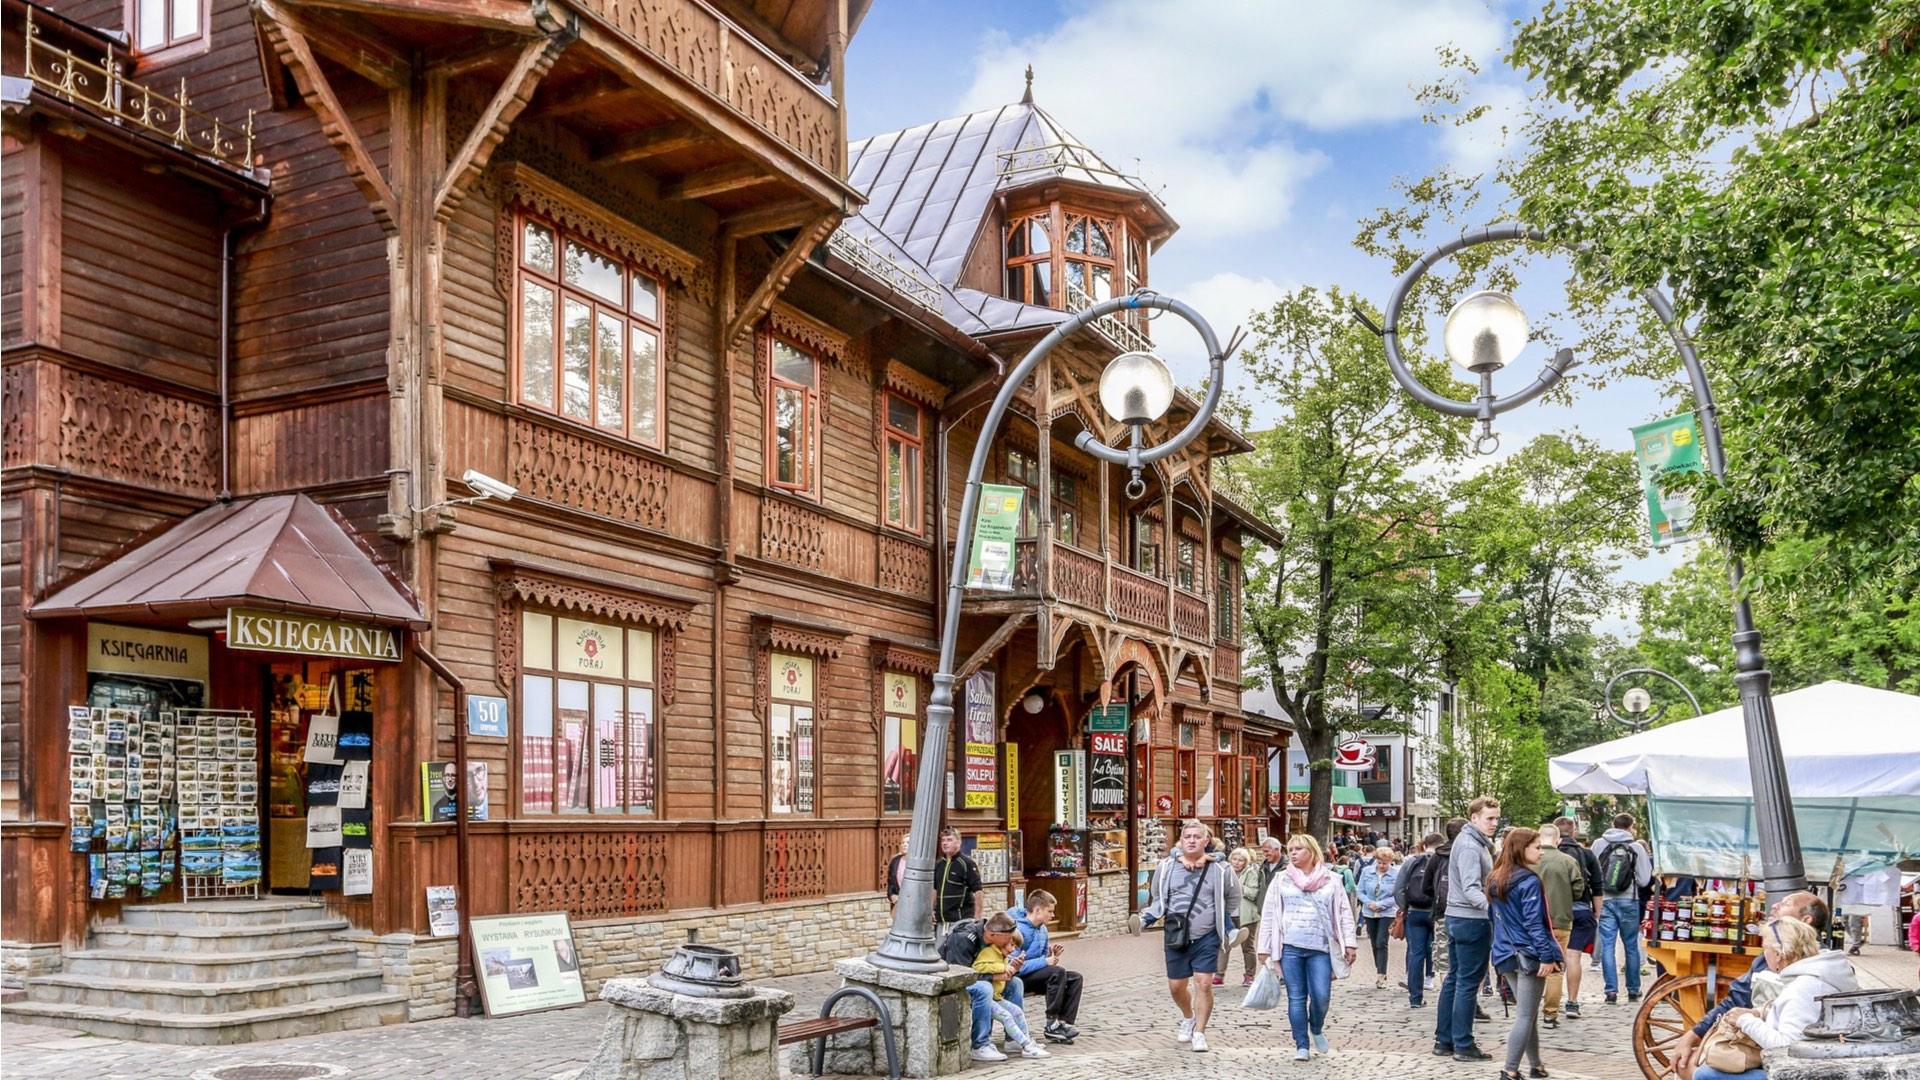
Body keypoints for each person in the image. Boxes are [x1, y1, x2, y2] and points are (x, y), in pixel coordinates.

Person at [1670, 891, 1828, 1080]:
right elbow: (1738, 1000)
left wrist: (1747, 1020)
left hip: (1786, 1060)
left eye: (1786, 904)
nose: (1775, 905)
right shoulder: (1817, 967)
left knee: (1702, 1072)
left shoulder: (1805, 982)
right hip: (1774, 1051)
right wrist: (1692, 1036)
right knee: (1693, 1064)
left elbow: (1788, 1045)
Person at [1692, 917, 1859, 1080]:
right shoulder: (1819, 976)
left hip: (1804, 1071)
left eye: (1765, 948)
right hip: (1823, 1063)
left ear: (1779, 954)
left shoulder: (1803, 988)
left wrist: (1745, 1021)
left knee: (1704, 1075)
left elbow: (1787, 1046)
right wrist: (1761, 1013)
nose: (1764, 955)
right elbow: (1805, 1019)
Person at [1141, 820, 1243, 1053]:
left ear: (1206, 841)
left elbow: (1233, 896)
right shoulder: (1167, 867)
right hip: (1177, 934)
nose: (1192, 840)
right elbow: (1157, 896)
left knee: (1204, 984)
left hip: (1207, 935)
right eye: (1187, 836)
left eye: (1197, 836)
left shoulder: (1220, 868)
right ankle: (1188, 1016)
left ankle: (1199, 1032)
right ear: (1180, 840)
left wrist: (1225, 921)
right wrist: (1150, 917)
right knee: (1176, 986)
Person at [1256, 834, 1358, 1061]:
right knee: (1296, 997)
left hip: (1320, 948)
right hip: (1290, 946)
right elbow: (1269, 913)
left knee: (1321, 995)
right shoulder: (1281, 879)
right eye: (1290, 849)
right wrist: (1264, 947)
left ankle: (1317, 1026)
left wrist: (1349, 943)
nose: (1293, 853)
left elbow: (1343, 912)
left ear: (1312, 852)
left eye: (1299, 849)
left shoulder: (1332, 879)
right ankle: (1301, 1044)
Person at [1489, 827, 1564, 1080]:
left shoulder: (1495, 877)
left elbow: (1496, 919)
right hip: (1528, 954)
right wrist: (1546, 955)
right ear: (1522, 849)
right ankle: (1509, 1070)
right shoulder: (1529, 881)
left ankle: (1536, 1065)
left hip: (1505, 953)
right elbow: (1534, 923)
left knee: (1527, 1013)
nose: (1541, 852)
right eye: (1537, 847)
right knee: (1525, 1016)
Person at [1434, 796, 1499, 1062]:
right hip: (1471, 919)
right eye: (1489, 818)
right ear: (1474, 818)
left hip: (1458, 916)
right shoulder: (1472, 845)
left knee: (1455, 978)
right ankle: (1462, 1043)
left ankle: (1445, 1040)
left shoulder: (1470, 841)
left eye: (1496, 817)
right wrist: (1493, 911)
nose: (1494, 823)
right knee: (1467, 983)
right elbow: (1472, 888)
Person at [937, 914, 1028, 1062]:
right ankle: (980, 1045)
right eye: (1008, 937)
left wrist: (1011, 968)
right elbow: (959, 976)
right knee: (984, 988)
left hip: (976, 978)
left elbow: (991, 966)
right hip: (952, 983)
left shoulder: (992, 940)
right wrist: (993, 977)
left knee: (1015, 983)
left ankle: (1013, 1039)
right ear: (993, 934)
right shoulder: (964, 939)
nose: (1011, 941)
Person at [970, 913, 1052, 1061]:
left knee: (1017, 1011)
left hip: (997, 996)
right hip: (988, 997)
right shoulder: (989, 952)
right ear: (999, 940)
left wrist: (1014, 967)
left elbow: (1005, 975)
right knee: (1006, 1016)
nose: (1013, 949)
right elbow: (978, 967)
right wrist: (1002, 967)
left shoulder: (1003, 956)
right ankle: (1025, 1045)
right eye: (1011, 944)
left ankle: (1019, 1041)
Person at [1591, 813, 1653, 1004]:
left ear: (1612, 825)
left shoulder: (1598, 844)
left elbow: (1591, 874)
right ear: (1631, 827)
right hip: (1629, 901)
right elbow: (1644, 880)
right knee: (1631, 945)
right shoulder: (1636, 847)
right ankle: (1633, 989)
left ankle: (1611, 991)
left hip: (1605, 900)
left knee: (1608, 946)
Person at [1010, 889, 1082, 1043]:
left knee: (1075, 978)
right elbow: (1014, 965)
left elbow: (1043, 959)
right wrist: (1045, 962)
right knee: (1057, 973)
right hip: (1018, 978)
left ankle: (1063, 1024)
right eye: (1049, 911)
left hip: (1036, 974)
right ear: (1037, 910)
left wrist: (1051, 957)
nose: (1053, 915)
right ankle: (1051, 1024)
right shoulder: (1018, 930)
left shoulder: (1042, 929)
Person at [1533, 823, 1585, 1030]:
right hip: (1561, 920)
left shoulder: (1530, 860)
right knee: (1555, 968)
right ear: (1558, 840)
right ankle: (1550, 1014)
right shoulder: (1568, 861)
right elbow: (1579, 890)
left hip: (1532, 922)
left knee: (1530, 966)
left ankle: (1527, 1012)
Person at [1552, 816, 1601, 1018]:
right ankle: (1572, 1002)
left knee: (1552, 956)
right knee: (1573, 957)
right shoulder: (1587, 854)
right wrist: (1597, 914)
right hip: (1581, 909)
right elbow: (1597, 887)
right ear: (1573, 832)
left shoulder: (1546, 855)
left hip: (1553, 912)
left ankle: (1550, 1002)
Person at [1396, 832, 1443, 1007]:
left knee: (1416, 953)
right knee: (1438, 950)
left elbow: (1398, 889)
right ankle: (1434, 983)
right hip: (1436, 912)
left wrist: (1405, 907)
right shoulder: (1443, 861)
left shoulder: (1411, 862)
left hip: (1415, 912)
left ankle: (1415, 997)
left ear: (1424, 845)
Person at [1357, 844, 1400, 988]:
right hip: (1369, 912)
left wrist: (1382, 904)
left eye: (1385, 863)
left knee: (1382, 941)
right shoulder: (1367, 871)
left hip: (1387, 912)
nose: (1382, 866)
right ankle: (1379, 967)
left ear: (1390, 862)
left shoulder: (1395, 874)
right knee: (1374, 942)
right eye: (1380, 862)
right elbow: (1360, 891)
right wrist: (1368, 902)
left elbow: (1397, 895)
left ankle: (1382, 974)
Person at [934, 826, 982, 936]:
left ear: (958, 842)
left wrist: (977, 918)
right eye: (943, 840)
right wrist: (931, 910)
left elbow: (978, 891)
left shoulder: (967, 863)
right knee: (940, 951)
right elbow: (935, 890)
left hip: (961, 921)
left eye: (949, 840)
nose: (945, 843)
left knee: (956, 951)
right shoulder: (939, 864)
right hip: (942, 921)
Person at [1231, 847, 1264, 986]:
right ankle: (1219, 973)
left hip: (1247, 914)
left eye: (1241, 860)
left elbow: (1253, 893)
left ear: (1245, 862)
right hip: (1230, 913)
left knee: (1247, 946)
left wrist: (1239, 887)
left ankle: (1249, 975)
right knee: (1223, 945)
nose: (1237, 862)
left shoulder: (1251, 873)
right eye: (1235, 859)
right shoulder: (1226, 872)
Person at [885, 834, 909, 909]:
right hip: (898, 904)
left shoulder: (918, 863)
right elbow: (891, 882)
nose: (905, 845)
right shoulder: (895, 861)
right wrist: (892, 895)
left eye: (908, 843)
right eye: (903, 843)